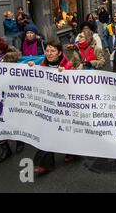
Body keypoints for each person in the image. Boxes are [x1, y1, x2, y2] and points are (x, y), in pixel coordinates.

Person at [28, 41, 77, 174]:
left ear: (60, 52)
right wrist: (32, 69)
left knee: (65, 130)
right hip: (48, 106)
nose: (49, 54)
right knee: (46, 132)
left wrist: (66, 75)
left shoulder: (68, 66)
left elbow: (76, 86)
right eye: (47, 51)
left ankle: (71, 151)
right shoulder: (41, 65)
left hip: (64, 106)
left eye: (53, 51)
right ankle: (45, 164)